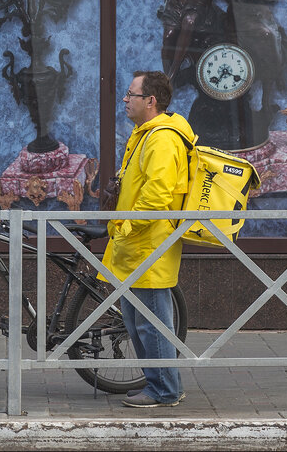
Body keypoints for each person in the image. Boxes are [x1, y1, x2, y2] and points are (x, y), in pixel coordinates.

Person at [101, 70, 192, 408]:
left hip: (148, 245)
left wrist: (126, 228)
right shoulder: (146, 135)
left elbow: (156, 196)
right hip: (137, 246)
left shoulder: (162, 139)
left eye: (131, 94)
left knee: (151, 324)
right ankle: (159, 385)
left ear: (150, 101)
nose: (125, 100)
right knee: (138, 323)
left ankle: (165, 390)